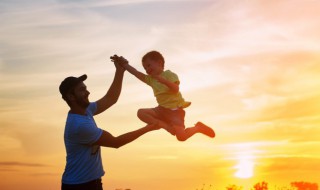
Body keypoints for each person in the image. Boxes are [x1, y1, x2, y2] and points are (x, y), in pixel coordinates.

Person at [59, 56, 160, 190]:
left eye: (85, 88)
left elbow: (111, 98)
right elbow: (115, 142)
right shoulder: (79, 125)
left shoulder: (86, 110)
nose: (87, 92)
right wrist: (147, 128)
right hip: (78, 186)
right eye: (82, 90)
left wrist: (120, 71)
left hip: (92, 181)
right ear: (71, 97)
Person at [115, 51, 215, 141]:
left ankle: (198, 127)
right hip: (161, 110)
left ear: (159, 63)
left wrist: (164, 81)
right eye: (145, 68)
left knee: (181, 137)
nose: (147, 69)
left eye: (149, 65)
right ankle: (165, 126)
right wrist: (124, 64)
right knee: (140, 113)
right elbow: (136, 73)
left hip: (175, 112)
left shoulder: (169, 74)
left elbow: (175, 89)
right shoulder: (151, 79)